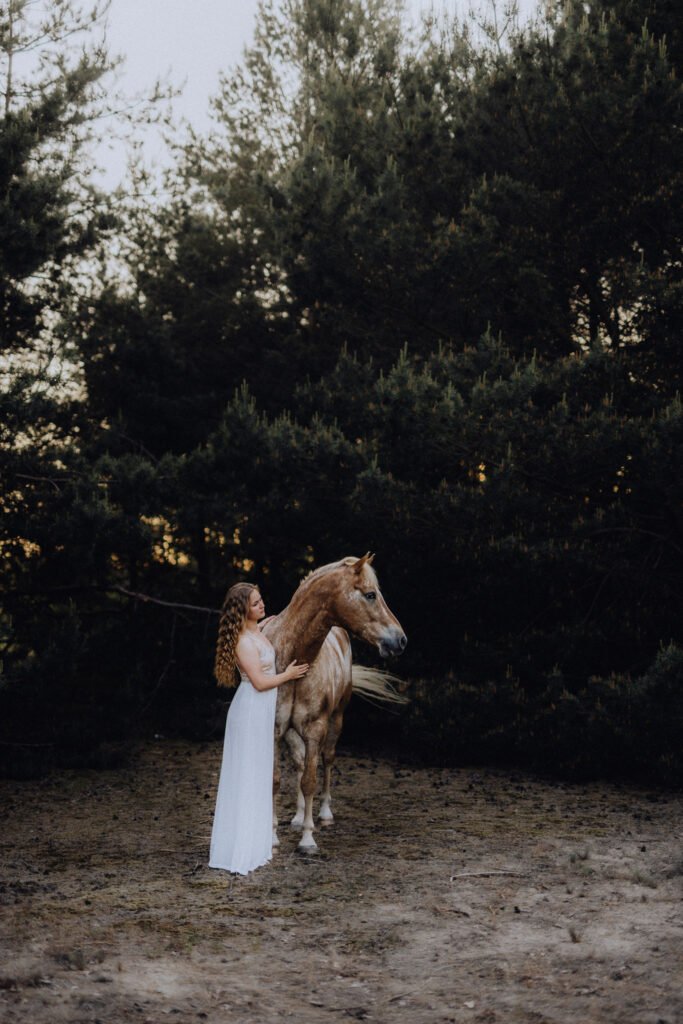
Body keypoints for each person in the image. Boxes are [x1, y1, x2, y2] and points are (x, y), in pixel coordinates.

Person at [209, 582, 308, 875]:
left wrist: (263, 626)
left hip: (260, 711)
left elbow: (259, 638)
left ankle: (254, 840)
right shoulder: (242, 640)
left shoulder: (255, 631)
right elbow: (260, 682)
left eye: (261, 599)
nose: (261, 604)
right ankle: (240, 847)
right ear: (242, 610)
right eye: (255, 603)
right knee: (248, 774)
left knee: (259, 773)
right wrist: (288, 674)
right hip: (250, 709)